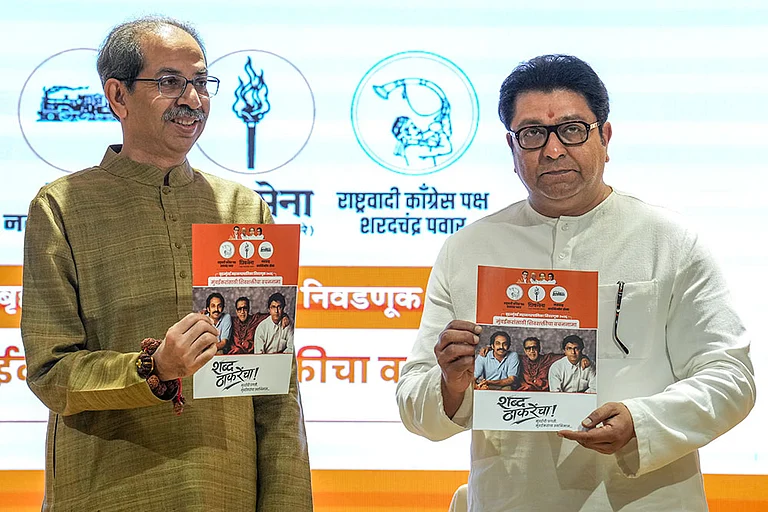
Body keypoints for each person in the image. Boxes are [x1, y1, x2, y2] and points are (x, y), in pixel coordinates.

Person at [396, 54, 755, 511]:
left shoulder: (669, 240)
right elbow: (413, 402)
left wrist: (641, 421)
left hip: (643, 499)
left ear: (605, 137)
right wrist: (450, 384)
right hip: (511, 500)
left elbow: (730, 378)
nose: (552, 150)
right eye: (532, 134)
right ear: (512, 148)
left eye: (572, 129)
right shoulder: (468, 250)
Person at [20, 16, 312, 511]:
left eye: (200, 82)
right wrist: (153, 369)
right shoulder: (63, 206)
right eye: (170, 82)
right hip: (105, 490)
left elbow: (273, 386)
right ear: (118, 96)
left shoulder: (244, 211)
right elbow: (52, 372)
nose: (192, 99)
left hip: (226, 489)